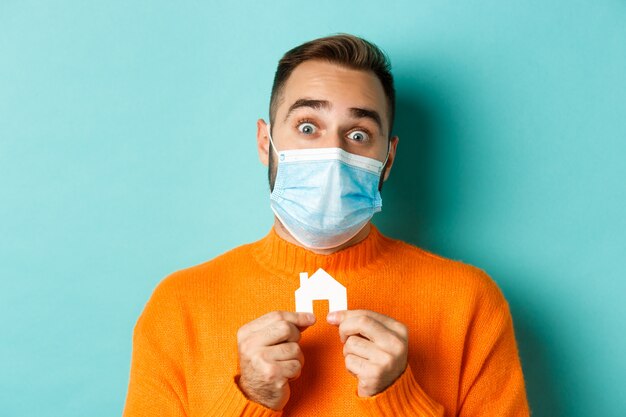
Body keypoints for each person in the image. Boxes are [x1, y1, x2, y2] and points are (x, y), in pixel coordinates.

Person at [122, 33, 530, 416]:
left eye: (357, 134)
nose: (332, 153)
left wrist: (399, 399)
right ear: (266, 143)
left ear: (387, 159)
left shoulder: (470, 303)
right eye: (306, 128)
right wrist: (252, 398)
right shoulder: (178, 308)